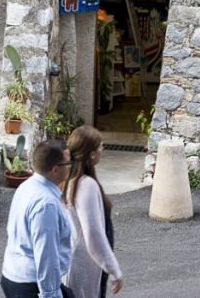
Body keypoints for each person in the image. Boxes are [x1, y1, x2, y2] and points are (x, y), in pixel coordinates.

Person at [1, 140, 74, 298]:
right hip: (30, 285)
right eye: (68, 162)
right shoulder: (46, 204)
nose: (71, 166)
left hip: (14, 276)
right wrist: (52, 295)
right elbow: (46, 256)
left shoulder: (26, 186)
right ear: (55, 170)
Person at [61, 126, 123, 297]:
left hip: (78, 265)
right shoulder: (86, 185)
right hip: (85, 268)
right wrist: (114, 270)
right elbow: (93, 235)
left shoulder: (70, 181)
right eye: (100, 146)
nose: (103, 148)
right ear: (92, 154)